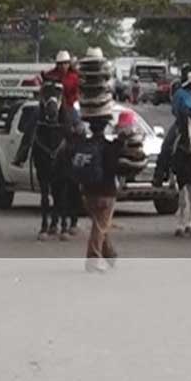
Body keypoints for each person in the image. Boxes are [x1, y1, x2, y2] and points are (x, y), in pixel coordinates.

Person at [73, 115, 125, 273]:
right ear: (105, 128)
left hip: (87, 193)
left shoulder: (84, 145)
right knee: (100, 227)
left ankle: (110, 255)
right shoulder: (110, 146)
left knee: (100, 225)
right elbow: (118, 166)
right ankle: (93, 260)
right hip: (106, 193)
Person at [13, 51, 81, 167]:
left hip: (67, 106)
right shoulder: (50, 75)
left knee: (79, 125)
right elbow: (43, 90)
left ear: (69, 64)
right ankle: (22, 153)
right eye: (60, 64)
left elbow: (77, 93)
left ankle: (80, 155)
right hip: (49, 105)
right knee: (33, 119)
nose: (63, 66)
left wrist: (67, 101)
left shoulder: (74, 77)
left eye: (65, 63)